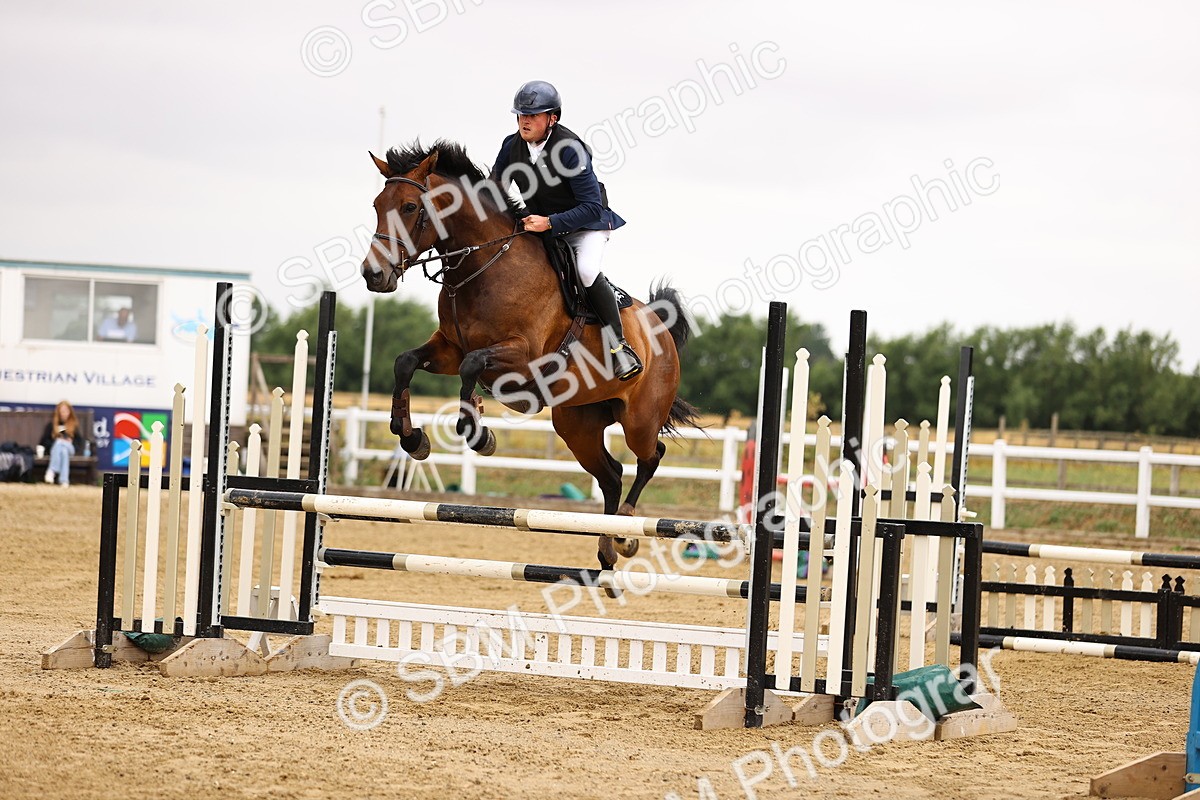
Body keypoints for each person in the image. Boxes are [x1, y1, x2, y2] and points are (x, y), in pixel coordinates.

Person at [490, 80, 643, 381]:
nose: (526, 120)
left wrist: (550, 222)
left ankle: (619, 346)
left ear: (552, 118)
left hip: (586, 226)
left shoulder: (571, 150)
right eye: (522, 115)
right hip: (541, 225)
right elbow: (494, 190)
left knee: (585, 270)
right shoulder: (512, 146)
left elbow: (592, 206)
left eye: (534, 115)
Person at [40, 400, 84, 487]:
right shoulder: (52, 425)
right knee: (63, 450)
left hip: (70, 448)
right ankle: (64, 480)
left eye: (66, 411)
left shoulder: (74, 425)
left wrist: (69, 442)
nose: (64, 413)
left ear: (70, 412)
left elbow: (79, 442)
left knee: (62, 444)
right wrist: (56, 441)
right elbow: (44, 441)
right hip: (57, 450)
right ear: (58, 412)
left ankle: (52, 471)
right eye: (62, 411)